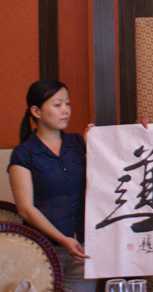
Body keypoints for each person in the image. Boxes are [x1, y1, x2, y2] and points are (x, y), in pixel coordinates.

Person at [7, 79, 96, 292]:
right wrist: (62, 239)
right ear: (36, 111)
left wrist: (95, 146)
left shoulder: (78, 143)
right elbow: (25, 209)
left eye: (67, 103)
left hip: (81, 247)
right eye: (57, 105)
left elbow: (108, 178)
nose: (66, 110)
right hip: (41, 250)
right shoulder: (23, 153)